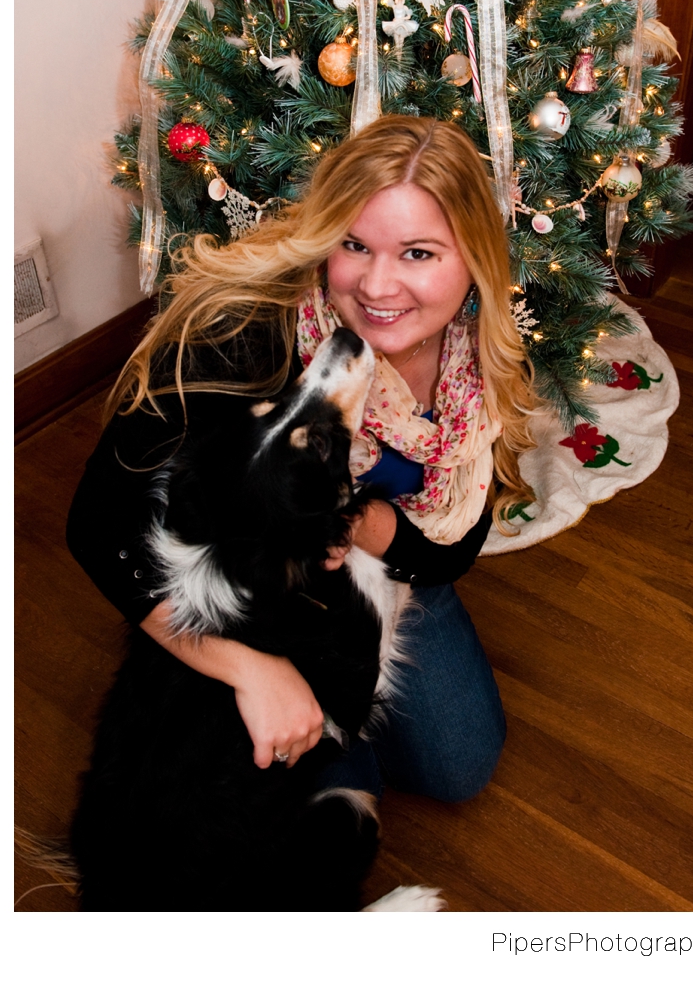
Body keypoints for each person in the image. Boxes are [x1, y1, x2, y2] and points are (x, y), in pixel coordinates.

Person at [67, 115, 536, 804]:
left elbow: (453, 549)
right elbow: (96, 526)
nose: (378, 287)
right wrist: (247, 667)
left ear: (474, 259)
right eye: (354, 244)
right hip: (253, 594)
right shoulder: (241, 334)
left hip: (380, 568)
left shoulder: (477, 358)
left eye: (418, 253)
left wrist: (364, 526)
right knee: (303, 773)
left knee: (458, 765)